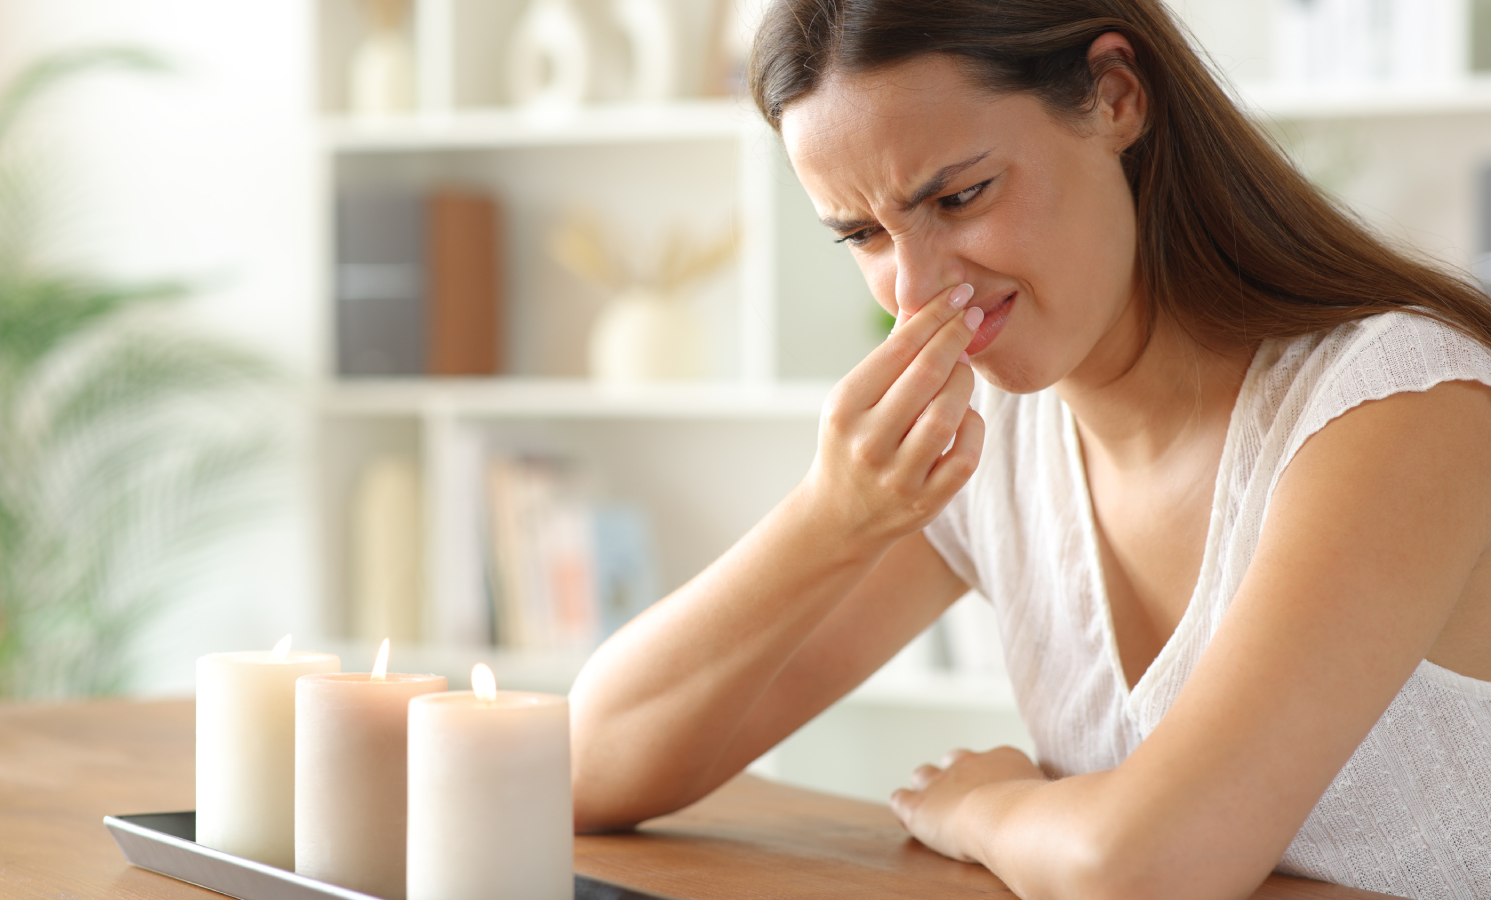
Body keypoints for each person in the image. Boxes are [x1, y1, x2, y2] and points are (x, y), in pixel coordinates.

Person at [567, 1, 1491, 897]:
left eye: (960, 196)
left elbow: (1151, 867)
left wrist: (982, 809)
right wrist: (830, 517)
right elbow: (580, 769)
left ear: (1115, 97)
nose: (916, 290)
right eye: (861, 235)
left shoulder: (1406, 402)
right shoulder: (999, 441)